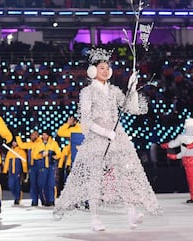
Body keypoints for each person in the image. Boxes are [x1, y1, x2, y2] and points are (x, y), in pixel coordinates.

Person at [53, 47, 160, 231]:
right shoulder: (88, 92)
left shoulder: (113, 91)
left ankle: (132, 213)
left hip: (117, 138)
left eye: (106, 67)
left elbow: (132, 108)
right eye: (101, 67)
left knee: (125, 175)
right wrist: (104, 132)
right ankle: (95, 218)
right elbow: (86, 121)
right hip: (97, 139)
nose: (104, 70)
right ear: (93, 71)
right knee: (94, 178)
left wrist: (132, 88)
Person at [160, 118, 193, 203]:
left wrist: (165, 145)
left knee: (191, 179)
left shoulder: (182, 137)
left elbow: (173, 144)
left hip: (188, 161)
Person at [34, 130, 61, 206]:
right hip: (42, 166)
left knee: (51, 184)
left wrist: (53, 156)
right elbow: (35, 155)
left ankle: (51, 200)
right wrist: (41, 154)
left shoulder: (53, 143)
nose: (44, 136)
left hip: (51, 166)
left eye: (45, 135)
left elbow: (59, 154)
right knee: (42, 184)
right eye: (43, 135)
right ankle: (44, 200)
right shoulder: (38, 144)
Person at [16, 130, 43, 206]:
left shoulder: (41, 143)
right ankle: (34, 201)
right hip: (32, 166)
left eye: (33, 135)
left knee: (41, 184)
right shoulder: (29, 144)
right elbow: (21, 145)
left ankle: (43, 200)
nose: (32, 136)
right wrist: (17, 136)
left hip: (39, 164)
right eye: (31, 135)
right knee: (33, 184)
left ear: (37, 135)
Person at [2, 140, 28, 205]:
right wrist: (5, 171)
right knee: (11, 185)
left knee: (17, 185)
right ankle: (17, 195)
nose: (14, 143)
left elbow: (24, 162)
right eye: (13, 142)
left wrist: (25, 171)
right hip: (11, 172)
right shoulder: (9, 151)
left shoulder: (21, 152)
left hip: (18, 171)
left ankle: (17, 199)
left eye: (15, 142)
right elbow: (7, 162)